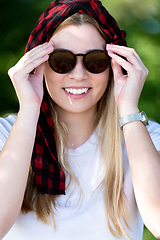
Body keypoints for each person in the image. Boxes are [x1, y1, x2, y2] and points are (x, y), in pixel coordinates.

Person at [0, 0, 160, 239]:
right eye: (61, 61)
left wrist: (128, 108)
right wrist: (30, 109)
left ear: (114, 67)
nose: (78, 75)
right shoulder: (6, 133)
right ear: (38, 64)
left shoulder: (144, 136)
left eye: (95, 61)